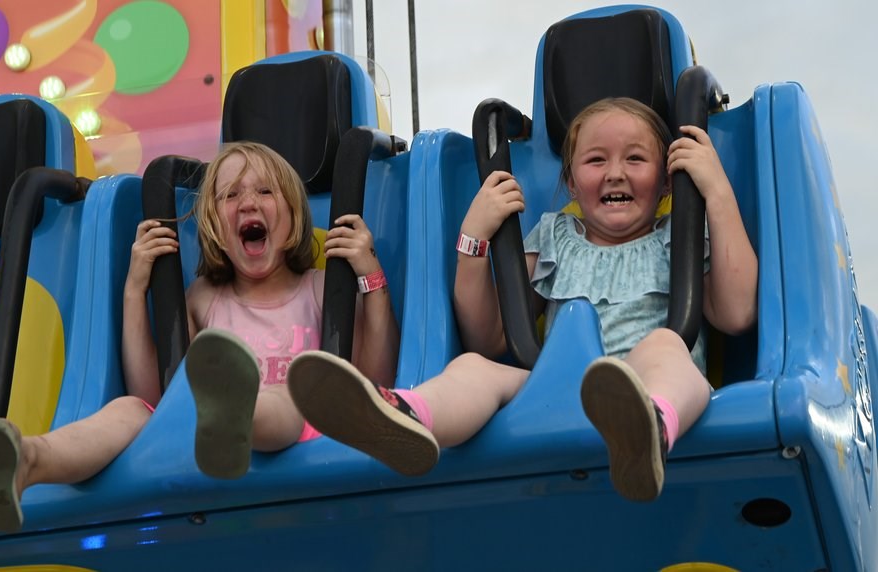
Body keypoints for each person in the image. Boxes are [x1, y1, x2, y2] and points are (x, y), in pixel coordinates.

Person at [288, 97, 757, 502]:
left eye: (636, 159)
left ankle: (648, 428)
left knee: (666, 347)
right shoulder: (555, 236)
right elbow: (487, 335)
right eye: (596, 161)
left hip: (646, 387)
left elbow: (735, 312)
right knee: (473, 370)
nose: (615, 172)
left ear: (667, 181)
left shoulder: (680, 236)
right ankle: (404, 417)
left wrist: (714, 189)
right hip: (557, 387)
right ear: (572, 183)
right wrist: (474, 236)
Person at [0, 141, 400, 532]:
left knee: (284, 397)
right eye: (229, 195)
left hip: (297, 434)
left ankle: (240, 415)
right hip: (207, 445)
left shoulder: (321, 287)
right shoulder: (203, 299)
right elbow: (155, 396)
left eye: (265, 191)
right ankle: (25, 459)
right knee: (127, 409)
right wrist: (134, 289)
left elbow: (374, 377)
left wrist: (371, 277)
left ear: (294, 217)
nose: (248, 203)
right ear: (215, 228)